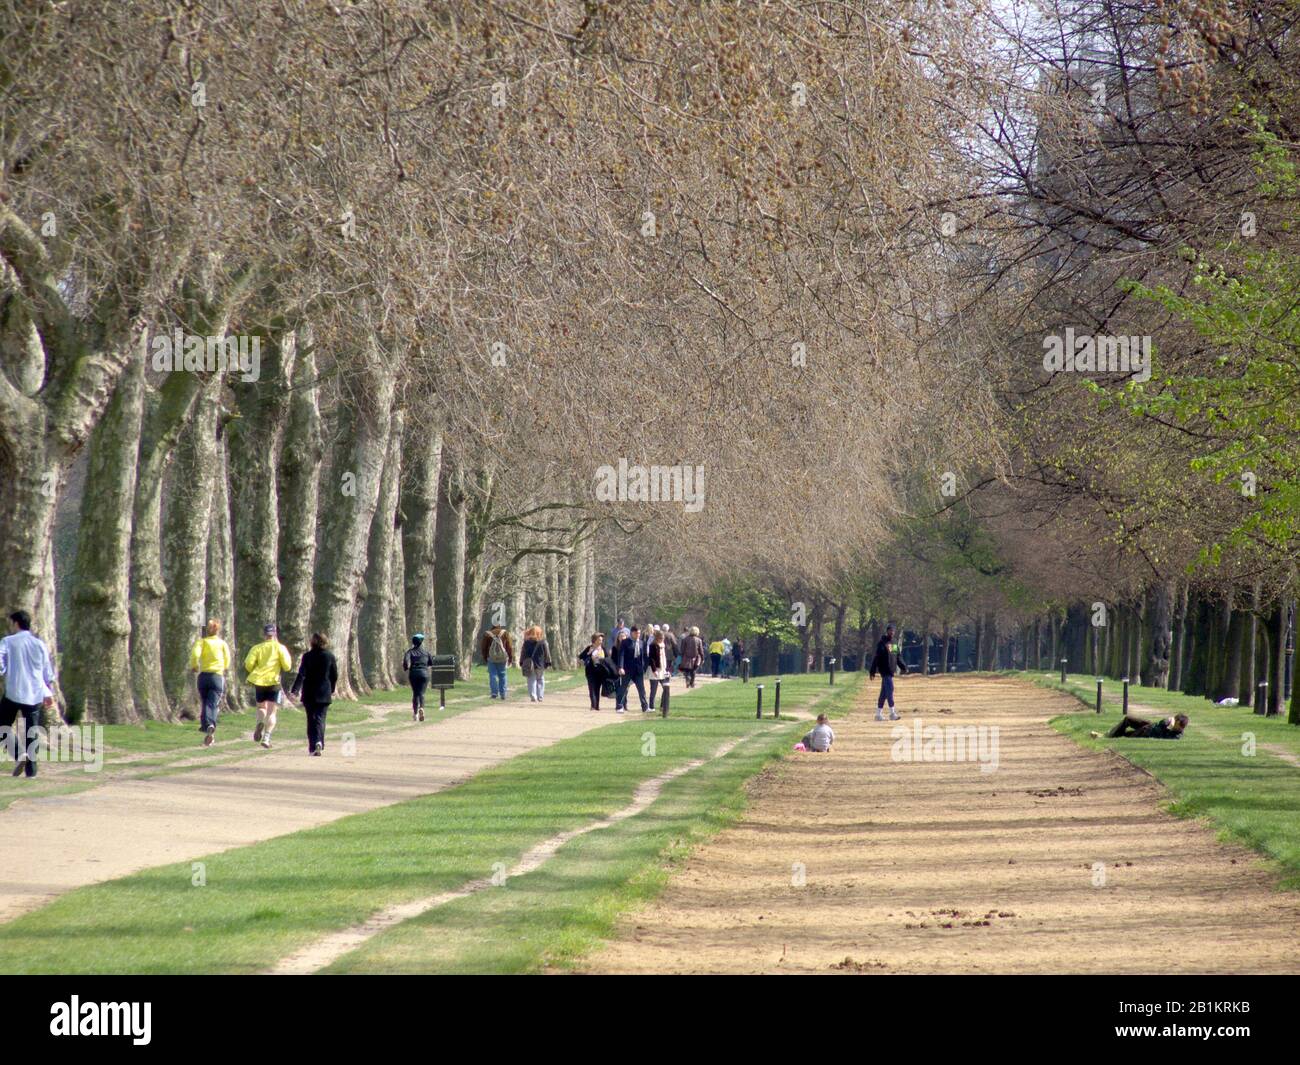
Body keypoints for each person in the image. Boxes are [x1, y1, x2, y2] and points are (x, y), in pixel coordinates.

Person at [0, 610, 56, 778]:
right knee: (32, 730)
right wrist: (49, 692)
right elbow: (46, 671)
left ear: (16, 623)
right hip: (35, 694)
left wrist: (3, 670)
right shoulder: (39, 644)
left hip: (14, 692)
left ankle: (18, 753)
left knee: (2, 725)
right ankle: (32, 771)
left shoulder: (8, 641)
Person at [245, 622, 292, 748]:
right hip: (274, 681)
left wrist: (257, 668)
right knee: (272, 712)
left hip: (260, 682)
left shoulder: (257, 648)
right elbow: (287, 666)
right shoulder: (280, 648)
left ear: (264, 634)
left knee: (261, 707)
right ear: (275, 634)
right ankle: (266, 737)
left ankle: (260, 721)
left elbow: (248, 664)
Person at [290, 632, 338, 755]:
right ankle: (319, 742)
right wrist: (332, 689)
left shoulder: (307, 656)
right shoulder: (330, 656)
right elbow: (334, 675)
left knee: (311, 719)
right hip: (324, 692)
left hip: (309, 692)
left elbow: (301, 674)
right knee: (320, 718)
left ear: (312, 642)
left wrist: (295, 690)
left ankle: (313, 746)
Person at [189, 618, 231, 747]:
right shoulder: (222, 644)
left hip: (204, 676)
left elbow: (195, 655)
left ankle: (206, 727)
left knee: (205, 702)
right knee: (212, 704)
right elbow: (227, 659)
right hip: (217, 677)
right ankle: (209, 725)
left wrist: (195, 666)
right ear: (218, 631)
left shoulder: (202, 642)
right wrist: (224, 668)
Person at [869, 624, 907, 722]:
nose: (891, 632)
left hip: (891, 671)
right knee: (890, 690)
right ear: (887, 631)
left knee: (884, 694)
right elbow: (877, 658)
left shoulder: (893, 643)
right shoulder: (882, 643)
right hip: (885, 671)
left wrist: (903, 666)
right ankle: (892, 713)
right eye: (890, 631)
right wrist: (872, 670)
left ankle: (878, 715)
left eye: (893, 631)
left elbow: (897, 657)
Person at [615, 624, 649, 714]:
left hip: (638, 670)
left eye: (639, 633)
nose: (638, 635)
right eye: (636, 633)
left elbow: (645, 656)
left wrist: (644, 668)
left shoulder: (642, 643)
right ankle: (619, 706)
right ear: (632, 633)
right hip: (627, 669)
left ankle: (645, 707)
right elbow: (621, 655)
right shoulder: (625, 642)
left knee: (641, 689)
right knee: (623, 688)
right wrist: (621, 667)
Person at [579, 632, 614, 711]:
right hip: (590, 672)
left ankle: (596, 706)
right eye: (599, 640)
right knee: (592, 689)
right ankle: (593, 706)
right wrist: (589, 653)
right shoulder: (589, 648)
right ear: (594, 640)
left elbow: (608, 659)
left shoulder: (603, 649)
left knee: (597, 689)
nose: (601, 641)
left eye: (601, 640)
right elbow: (581, 656)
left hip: (601, 672)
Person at [402, 633, 433, 721]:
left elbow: (405, 662)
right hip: (424, 674)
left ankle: (415, 713)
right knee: (422, 693)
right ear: (421, 642)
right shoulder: (426, 652)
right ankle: (422, 708)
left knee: (415, 693)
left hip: (414, 674)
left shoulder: (410, 652)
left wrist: (406, 668)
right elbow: (431, 662)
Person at [479, 624, 514, 700]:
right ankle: (503, 694)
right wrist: (510, 658)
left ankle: (494, 693)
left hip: (491, 658)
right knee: (503, 675)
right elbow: (509, 647)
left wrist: (485, 657)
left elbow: (483, 647)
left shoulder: (487, 634)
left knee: (492, 675)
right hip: (502, 658)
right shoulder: (505, 633)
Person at [520, 624, 552, 703]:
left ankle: (533, 696)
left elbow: (523, 653)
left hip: (529, 665)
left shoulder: (526, 642)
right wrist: (548, 662)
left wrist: (521, 662)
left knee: (531, 680)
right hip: (540, 665)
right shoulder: (543, 642)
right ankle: (540, 696)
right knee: (540, 679)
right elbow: (547, 653)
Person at [1108, 713, 1188, 739]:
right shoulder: (1169, 722)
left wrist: (1168, 728)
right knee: (1128, 719)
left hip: (1147, 732)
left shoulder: (1177, 735)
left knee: (1126, 736)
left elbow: (1160, 734)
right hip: (1149, 725)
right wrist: (1166, 722)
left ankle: (1111, 736)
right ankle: (1112, 733)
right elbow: (1160, 724)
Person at [648, 630, 672, 711]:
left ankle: (663, 705)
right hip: (654, 670)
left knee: (666, 688)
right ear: (657, 638)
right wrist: (654, 670)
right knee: (653, 690)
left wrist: (666, 669)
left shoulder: (663, 645)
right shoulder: (653, 645)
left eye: (663, 638)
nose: (662, 639)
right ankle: (651, 706)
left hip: (663, 670)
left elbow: (664, 658)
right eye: (660, 638)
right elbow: (652, 659)